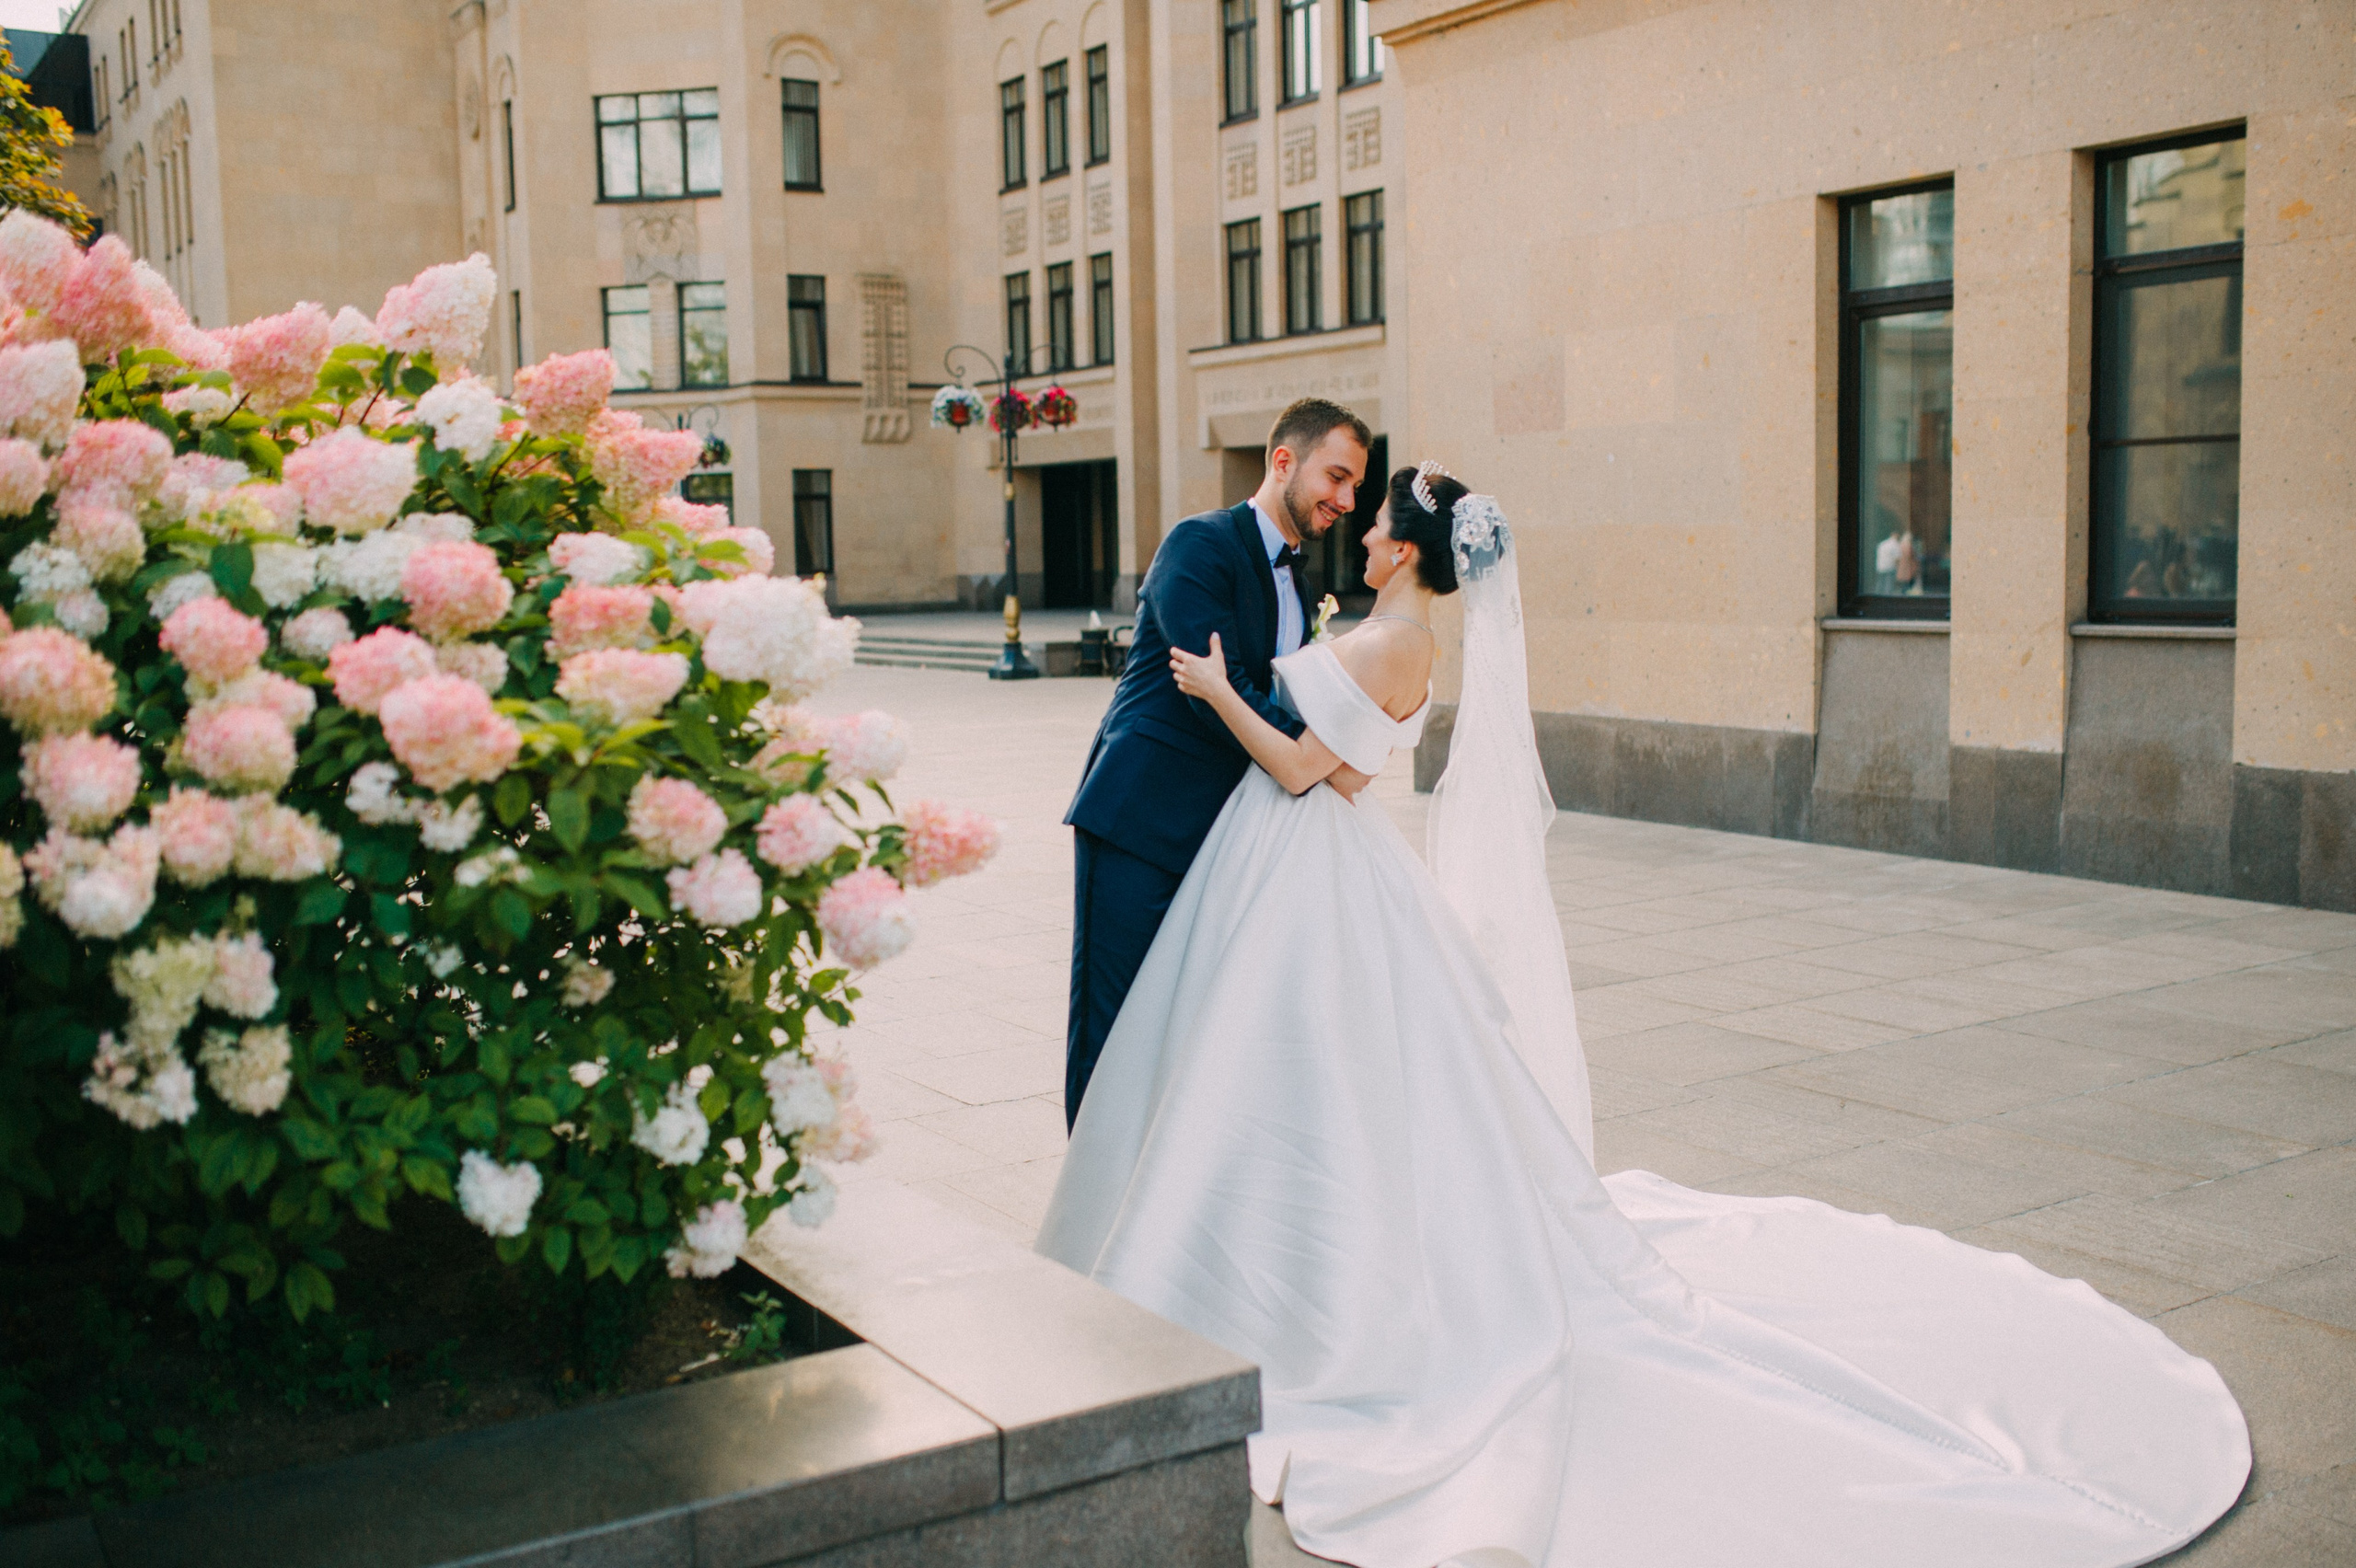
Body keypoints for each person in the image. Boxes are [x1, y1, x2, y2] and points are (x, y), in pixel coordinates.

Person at [1037, 461, 2249, 1568]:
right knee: (1328, 1094)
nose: (1355, 533)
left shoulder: (1390, 644)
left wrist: (1211, 689)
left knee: (1321, 1088)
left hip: (1316, 882)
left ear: (1407, 553)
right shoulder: (1396, 634)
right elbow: (1346, 773)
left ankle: (1303, 1291)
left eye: (1374, 523)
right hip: (1319, 881)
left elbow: (1310, 771)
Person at [1061, 397, 1372, 1129]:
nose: (1347, 500)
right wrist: (1310, 758)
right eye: (1336, 477)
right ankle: (1085, 1215)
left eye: (1355, 485)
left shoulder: (1295, 579)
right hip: (1141, 819)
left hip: (1224, 839)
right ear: (1283, 461)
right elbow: (1210, 689)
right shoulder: (1197, 544)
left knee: (1181, 1030)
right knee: (1110, 1027)